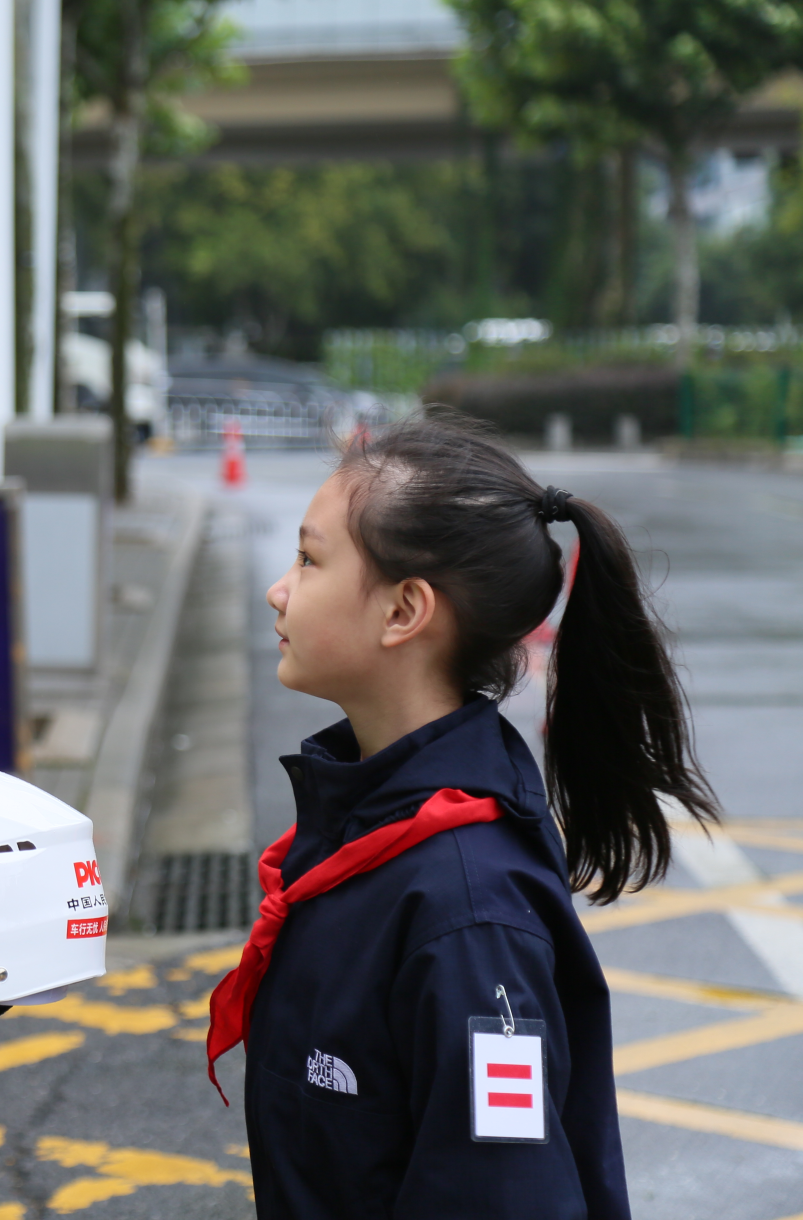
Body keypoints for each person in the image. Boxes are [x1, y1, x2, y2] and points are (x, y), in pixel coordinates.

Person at [206, 410, 716, 1219]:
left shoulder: (467, 917)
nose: (280, 587)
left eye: (309, 560)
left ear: (404, 611)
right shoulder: (368, 823)